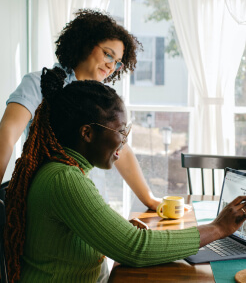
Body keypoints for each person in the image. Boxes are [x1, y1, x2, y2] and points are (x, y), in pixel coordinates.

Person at [4, 67, 246, 283]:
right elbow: (135, 249)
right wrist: (218, 228)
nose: (125, 140)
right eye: (121, 130)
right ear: (87, 133)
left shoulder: (64, 170)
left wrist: (112, 229)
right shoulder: (64, 179)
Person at [0, 9, 160, 211]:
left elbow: (122, 151)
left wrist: (150, 199)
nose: (111, 66)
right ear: (86, 43)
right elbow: (7, 135)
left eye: (117, 62)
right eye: (108, 54)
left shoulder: (103, 99)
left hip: (93, 201)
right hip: (52, 204)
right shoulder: (39, 83)